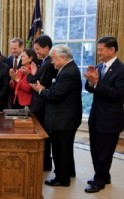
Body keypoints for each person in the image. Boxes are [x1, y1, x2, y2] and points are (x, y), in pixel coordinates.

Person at [31, 44, 82, 187]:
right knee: (64, 149)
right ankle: (67, 173)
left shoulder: (68, 72)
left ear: (63, 57)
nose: (52, 62)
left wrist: (40, 90)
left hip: (64, 118)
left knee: (61, 150)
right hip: (64, 117)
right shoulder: (66, 69)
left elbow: (56, 95)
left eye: (53, 59)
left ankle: (62, 179)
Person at [84, 36, 124, 193]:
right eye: (98, 49)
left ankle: (99, 181)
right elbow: (90, 89)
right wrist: (90, 82)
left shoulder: (121, 69)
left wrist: (98, 83)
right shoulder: (99, 66)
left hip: (110, 118)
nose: (98, 52)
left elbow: (119, 95)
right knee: (95, 149)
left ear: (112, 49)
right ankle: (102, 175)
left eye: (101, 49)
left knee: (105, 152)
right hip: (96, 115)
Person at [26, 35, 58, 171]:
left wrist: (32, 73)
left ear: (46, 48)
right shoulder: (45, 61)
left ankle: (45, 164)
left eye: (38, 49)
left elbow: (37, 82)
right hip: (41, 104)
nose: (36, 52)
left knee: (44, 136)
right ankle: (44, 163)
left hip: (43, 106)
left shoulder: (48, 63)